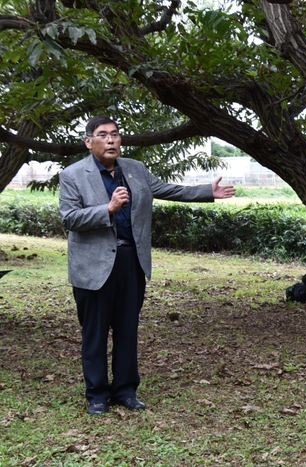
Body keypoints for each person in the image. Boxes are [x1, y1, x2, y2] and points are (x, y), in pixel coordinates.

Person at [59, 116, 235, 415]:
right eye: (103, 135)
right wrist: (108, 209)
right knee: (95, 332)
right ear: (89, 142)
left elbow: (167, 189)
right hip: (94, 265)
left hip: (131, 261)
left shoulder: (135, 169)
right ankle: (97, 395)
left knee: (127, 329)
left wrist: (207, 191)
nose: (111, 140)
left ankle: (126, 390)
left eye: (115, 134)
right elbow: (69, 218)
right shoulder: (73, 174)